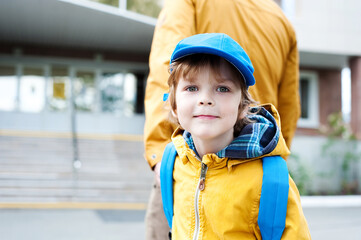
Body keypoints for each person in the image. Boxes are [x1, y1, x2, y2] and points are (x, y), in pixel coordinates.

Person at [144, 1, 300, 239]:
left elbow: (166, 67)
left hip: (192, 159)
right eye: (193, 88)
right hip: (252, 161)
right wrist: (273, 160)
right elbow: (289, 102)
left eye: (223, 89)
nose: (205, 99)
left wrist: (159, 150)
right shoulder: (281, 21)